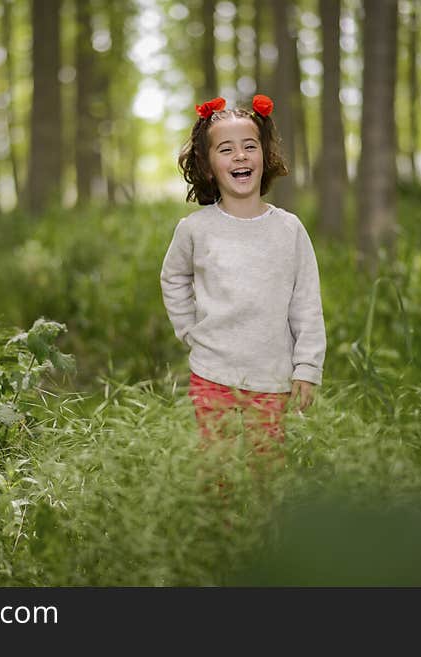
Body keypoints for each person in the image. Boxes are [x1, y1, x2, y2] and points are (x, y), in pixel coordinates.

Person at [160, 94, 327, 461]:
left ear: (264, 156)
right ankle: (218, 520)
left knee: (265, 468)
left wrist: (308, 366)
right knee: (215, 466)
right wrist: (188, 329)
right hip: (212, 371)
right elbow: (173, 278)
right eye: (226, 149)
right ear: (207, 166)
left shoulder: (288, 229)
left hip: (271, 375)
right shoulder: (195, 229)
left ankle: (262, 521)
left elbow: (307, 302)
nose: (240, 156)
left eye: (249, 146)